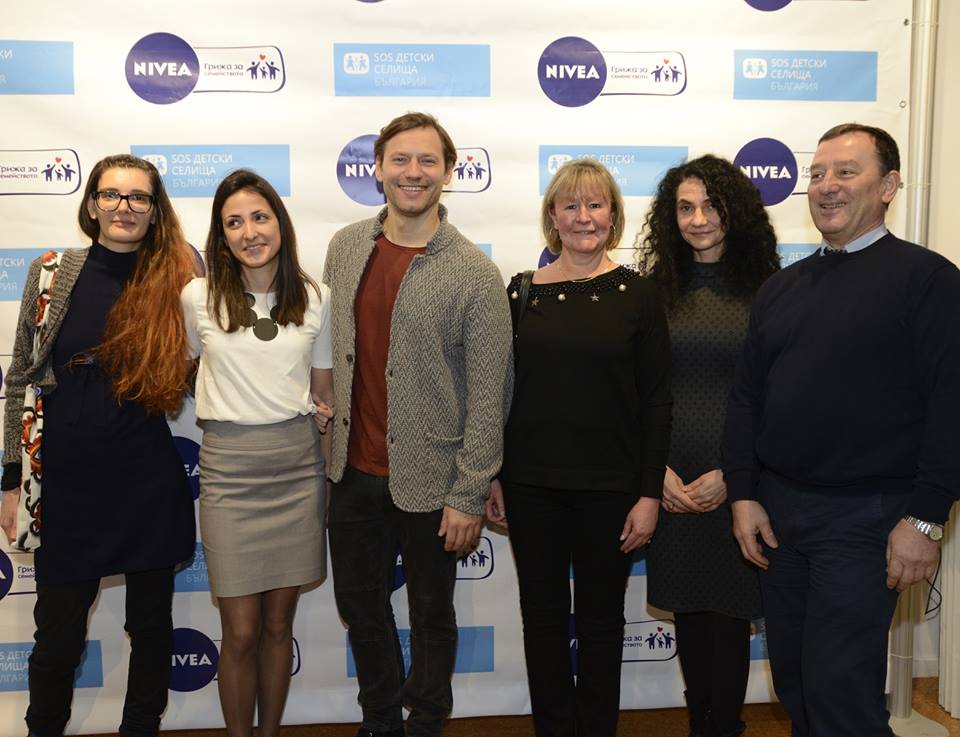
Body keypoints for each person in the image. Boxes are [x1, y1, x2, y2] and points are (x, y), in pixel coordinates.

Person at [722, 123, 960, 737]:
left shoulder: (929, 280)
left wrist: (926, 519)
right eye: (818, 174)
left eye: (846, 172)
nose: (826, 186)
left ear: (889, 185)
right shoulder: (781, 288)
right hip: (780, 514)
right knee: (796, 684)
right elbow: (747, 400)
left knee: (840, 693)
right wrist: (744, 494)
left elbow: (952, 404)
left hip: (867, 519)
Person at [322, 112, 512, 737]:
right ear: (377, 168)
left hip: (434, 481)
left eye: (428, 160)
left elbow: (490, 394)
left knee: (432, 615)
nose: (413, 172)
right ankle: (380, 719)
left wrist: (468, 492)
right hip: (352, 470)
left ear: (449, 172)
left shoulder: (474, 273)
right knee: (361, 610)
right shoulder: (345, 247)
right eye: (400, 159)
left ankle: (427, 720)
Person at [0, 154, 197, 737]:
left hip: (145, 478)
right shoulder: (50, 272)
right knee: (57, 635)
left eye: (139, 198)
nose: (123, 207)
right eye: (111, 195)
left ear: (155, 211)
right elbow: (21, 377)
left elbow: (207, 369)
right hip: (64, 481)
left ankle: (140, 729)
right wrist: (11, 481)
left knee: (151, 628)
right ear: (92, 204)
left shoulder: (179, 283)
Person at [485, 158, 672, 737]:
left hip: (611, 492)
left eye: (595, 204)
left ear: (612, 215)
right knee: (541, 620)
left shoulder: (640, 295)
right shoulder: (520, 292)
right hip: (530, 487)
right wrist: (493, 475)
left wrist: (649, 495)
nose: (583, 217)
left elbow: (656, 403)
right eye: (570, 205)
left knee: (600, 624)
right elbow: (499, 393)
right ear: (552, 216)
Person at [180, 169, 333, 737]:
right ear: (220, 236)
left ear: (280, 223)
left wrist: (328, 460)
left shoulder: (316, 297)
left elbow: (324, 391)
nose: (250, 232)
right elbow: (183, 368)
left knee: (276, 627)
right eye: (234, 222)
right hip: (229, 471)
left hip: (297, 468)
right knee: (240, 632)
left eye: (260, 217)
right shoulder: (196, 296)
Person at [639, 155, 779, 737]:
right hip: (670, 479)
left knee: (730, 612)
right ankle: (703, 724)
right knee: (691, 611)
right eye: (685, 208)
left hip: (738, 481)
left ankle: (726, 725)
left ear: (735, 211)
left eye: (711, 206)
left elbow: (778, 396)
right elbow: (635, 392)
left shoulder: (769, 292)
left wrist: (735, 473)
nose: (698, 220)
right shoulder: (652, 293)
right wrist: (656, 473)